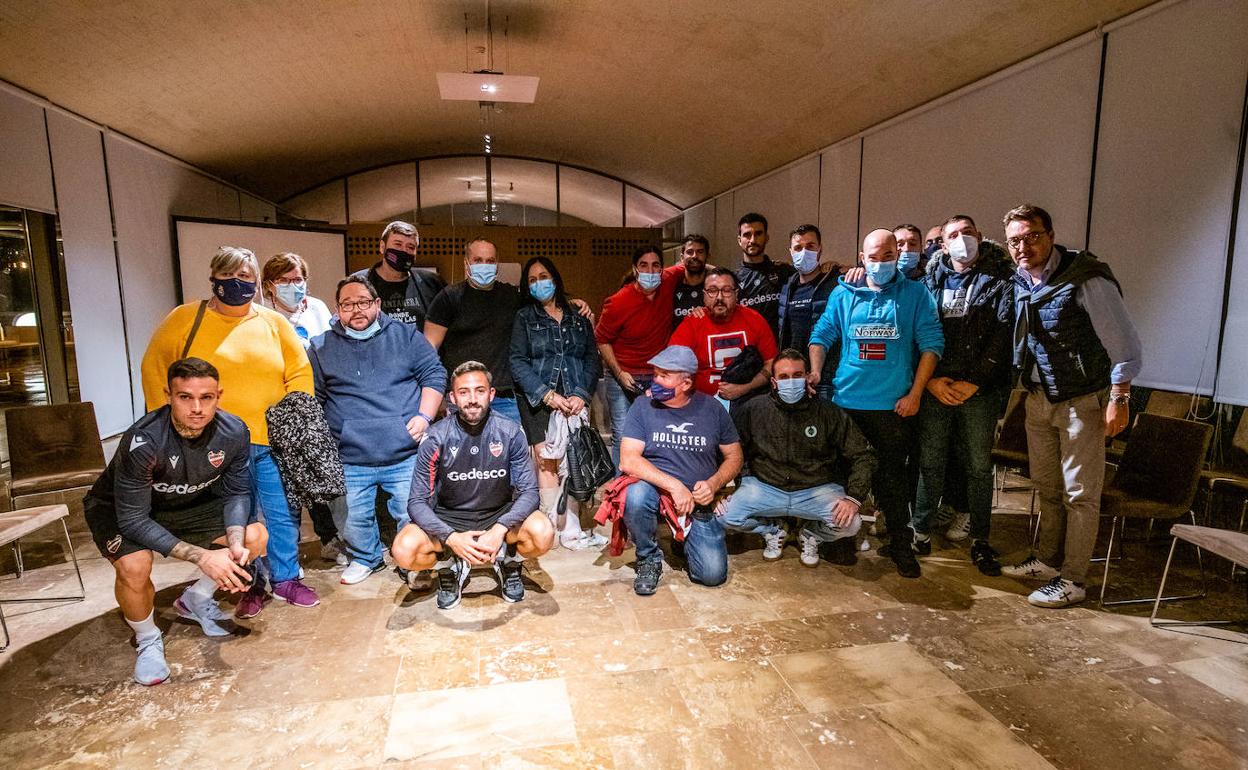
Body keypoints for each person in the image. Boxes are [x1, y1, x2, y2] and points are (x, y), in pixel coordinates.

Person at [141, 246, 318, 616]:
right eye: (228, 276)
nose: (236, 283)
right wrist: (169, 425)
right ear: (214, 278)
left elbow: (300, 371)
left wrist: (293, 414)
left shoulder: (273, 323)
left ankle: (286, 578)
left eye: (244, 277)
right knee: (239, 518)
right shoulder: (185, 319)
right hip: (212, 444)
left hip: (269, 439)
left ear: (256, 282)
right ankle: (250, 583)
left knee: (281, 512)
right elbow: (155, 368)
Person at [83, 358, 267, 685]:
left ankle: (196, 598)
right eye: (185, 397)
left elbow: (238, 492)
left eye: (206, 397)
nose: (197, 408)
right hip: (124, 509)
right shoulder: (144, 440)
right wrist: (203, 557)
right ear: (169, 396)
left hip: (189, 503)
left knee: (254, 537)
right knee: (134, 566)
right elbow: (134, 520)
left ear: (218, 396)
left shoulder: (234, 430)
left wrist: (236, 543)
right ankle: (147, 638)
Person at [1000, 204, 1142, 608]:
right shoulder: (1022, 279)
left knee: (1080, 494)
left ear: (1050, 235)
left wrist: (1119, 398)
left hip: (1082, 400)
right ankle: (1048, 560)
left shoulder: (1086, 278)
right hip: (1039, 397)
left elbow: (1124, 344)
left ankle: (1074, 579)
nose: (1023, 246)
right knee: (1047, 487)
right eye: (1015, 241)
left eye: (1032, 236)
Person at [808, 229, 944, 578]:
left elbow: (931, 345)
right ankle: (839, 539)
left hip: (892, 407)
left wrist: (915, 394)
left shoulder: (916, 294)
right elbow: (821, 335)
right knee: (841, 477)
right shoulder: (844, 292)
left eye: (888, 256)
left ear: (897, 256)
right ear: (862, 258)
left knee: (892, 481)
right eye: (873, 257)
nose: (880, 263)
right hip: (847, 403)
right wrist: (816, 371)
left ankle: (901, 544)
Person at [308, 276, 446, 586]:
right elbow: (314, 399)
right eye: (347, 305)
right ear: (337, 309)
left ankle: (412, 561)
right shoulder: (320, 347)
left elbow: (434, 374)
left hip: (405, 451)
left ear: (378, 304)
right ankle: (365, 558)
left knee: (412, 513)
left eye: (363, 302)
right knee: (354, 518)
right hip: (350, 456)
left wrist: (424, 416)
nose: (356, 310)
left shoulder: (406, 336)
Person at [390, 362, 554, 610]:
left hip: (498, 516)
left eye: (480, 391)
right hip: (449, 518)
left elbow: (530, 492)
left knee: (543, 533)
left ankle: (509, 561)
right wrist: (450, 537)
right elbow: (416, 502)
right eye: (464, 392)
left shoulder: (511, 432)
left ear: (491, 394)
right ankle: (448, 566)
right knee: (404, 550)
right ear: (453, 397)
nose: (473, 399)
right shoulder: (435, 437)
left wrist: (500, 529)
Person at [913, 215, 1014, 575]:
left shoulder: (1002, 282)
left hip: (979, 391)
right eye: (953, 235)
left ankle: (980, 539)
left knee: (979, 467)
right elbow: (916, 333)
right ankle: (920, 531)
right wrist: (930, 381)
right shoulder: (927, 284)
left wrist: (976, 381)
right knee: (931, 462)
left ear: (980, 236)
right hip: (935, 386)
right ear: (942, 245)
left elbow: (1003, 336)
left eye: (967, 233)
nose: (961, 240)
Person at [722, 349, 876, 566]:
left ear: (807, 377)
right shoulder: (754, 409)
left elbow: (863, 454)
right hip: (766, 486)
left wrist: (854, 498)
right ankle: (774, 530)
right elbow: (732, 451)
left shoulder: (828, 412)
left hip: (816, 489)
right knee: (725, 516)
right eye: (784, 377)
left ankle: (811, 534)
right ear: (774, 382)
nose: (791, 381)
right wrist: (725, 489)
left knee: (851, 524)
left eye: (797, 375)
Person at [615, 345, 743, 595]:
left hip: (698, 499)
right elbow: (628, 460)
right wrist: (674, 486)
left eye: (664, 376)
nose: (655, 381)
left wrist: (714, 484)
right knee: (635, 495)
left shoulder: (712, 409)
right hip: (655, 490)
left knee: (712, 575)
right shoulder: (642, 406)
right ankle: (648, 557)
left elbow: (735, 457)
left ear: (686, 383)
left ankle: (682, 539)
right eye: (655, 374)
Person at [425, 238, 593, 424]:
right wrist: (435, 393)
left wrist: (570, 304)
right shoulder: (448, 298)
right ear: (466, 263)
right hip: (462, 396)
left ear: (497, 265)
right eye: (478, 260)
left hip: (504, 398)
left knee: (511, 443)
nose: (484, 265)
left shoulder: (511, 296)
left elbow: (544, 304)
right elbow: (429, 349)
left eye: (490, 261)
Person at [509, 256, 606, 550]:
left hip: (575, 399)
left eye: (544, 276)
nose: (539, 283)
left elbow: (591, 359)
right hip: (539, 401)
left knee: (576, 459)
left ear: (555, 278)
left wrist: (581, 394)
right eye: (532, 280)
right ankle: (552, 526)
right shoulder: (524, 317)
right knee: (547, 462)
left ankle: (572, 526)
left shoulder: (577, 315)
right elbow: (517, 361)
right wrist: (547, 395)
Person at [259, 251, 341, 563]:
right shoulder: (261, 314)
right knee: (287, 482)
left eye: (299, 279)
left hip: (314, 405)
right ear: (269, 284)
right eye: (285, 280)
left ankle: (329, 538)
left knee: (316, 476)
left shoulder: (317, 308)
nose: (294, 286)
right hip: (277, 408)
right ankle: (287, 552)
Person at [596, 245, 685, 465]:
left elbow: (691, 263)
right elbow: (602, 339)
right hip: (623, 377)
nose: (650, 271)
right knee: (623, 435)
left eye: (655, 266)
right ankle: (620, 483)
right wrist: (619, 373)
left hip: (657, 376)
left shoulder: (668, 280)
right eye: (644, 266)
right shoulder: (618, 301)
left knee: (658, 434)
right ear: (635, 269)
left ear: (662, 269)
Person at [669, 267, 777, 407]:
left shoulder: (754, 320)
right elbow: (672, 365)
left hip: (749, 403)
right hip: (703, 406)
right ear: (704, 295)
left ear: (736, 294)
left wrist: (745, 387)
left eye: (726, 290)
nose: (719, 297)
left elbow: (772, 363)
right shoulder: (692, 323)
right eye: (712, 291)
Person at [777, 224, 845, 401]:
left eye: (810, 246)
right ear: (790, 251)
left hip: (827, 376)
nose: (804, 252)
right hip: (793, 376)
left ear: (820, 248)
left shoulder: (835, 283)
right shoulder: (786, 286)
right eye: (798, 248)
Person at [349, 220, 445, 330]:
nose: (404, 251)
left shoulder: (432, 282)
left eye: (410, 247)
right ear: (382, 247)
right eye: (398, 244)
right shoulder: (357, 283)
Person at [735, 212, 796, 336]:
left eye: (758, 234)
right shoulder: (733, 279)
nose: (753, 240)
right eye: (747, 235)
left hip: (781, 345)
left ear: (766, 238)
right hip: (750, 346)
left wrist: (829, 267)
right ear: (739, 240)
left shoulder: (785, 271)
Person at [673, 234, 711, 324]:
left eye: (700, 252)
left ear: (707, 256)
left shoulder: (715, 289)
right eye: (690, 252)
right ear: (682, 257)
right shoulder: (672, 287)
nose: (695, 256)